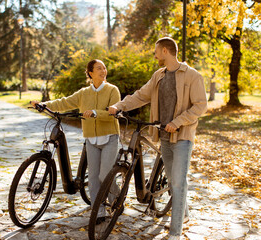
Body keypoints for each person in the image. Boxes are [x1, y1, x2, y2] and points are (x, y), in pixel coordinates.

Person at [108, 37, 207, 240]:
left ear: (164, 51)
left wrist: (178, 121)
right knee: (172, 180)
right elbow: (141, 95)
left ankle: (175, 232)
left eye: (156, 51)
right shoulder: (158, 76)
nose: (154, 55)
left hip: (182, 136)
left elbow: (200, 106)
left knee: (178, 182)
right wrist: (119, 106)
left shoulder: (192, 76)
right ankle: (184, 213)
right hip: (163, 135)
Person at [31, 59, 121, 224]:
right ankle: (98, 211)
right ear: (90, 73)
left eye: (104, 68)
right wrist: (44, 104)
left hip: (110, 137)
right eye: (99, 68)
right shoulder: (83, 93)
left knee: (104, 175)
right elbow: (64, 102)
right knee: (93, 178)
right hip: (91, 140)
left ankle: (117, 199)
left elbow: (113, 111)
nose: (103, 71)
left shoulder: (112, 90)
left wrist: (95, 112)